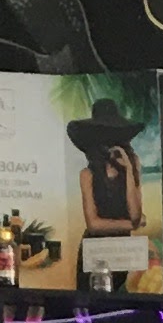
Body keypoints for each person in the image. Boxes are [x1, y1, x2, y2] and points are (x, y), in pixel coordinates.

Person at [66, 100, 149, 239]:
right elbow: (93, 225)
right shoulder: (87, 174)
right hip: (95, 245)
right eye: (103, 135)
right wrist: (133, 225)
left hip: (125, 244)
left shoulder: (133, 163)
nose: (109, 142)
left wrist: (128, 170)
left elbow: (136, 215)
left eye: (114, 135)